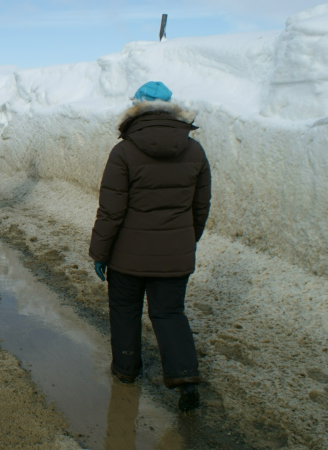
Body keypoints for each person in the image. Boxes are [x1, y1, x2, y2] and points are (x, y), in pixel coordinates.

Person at [89, 81, 211, 412]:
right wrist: (186, 241)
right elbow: (200, 207)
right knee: (169, 312)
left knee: (125, 310)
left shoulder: (124, 151)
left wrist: (100, 253)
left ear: (137, 108)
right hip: (175, 254)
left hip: (127, 258)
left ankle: (126, 369)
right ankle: (184, 376)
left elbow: (111, 210)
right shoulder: (194, 150)